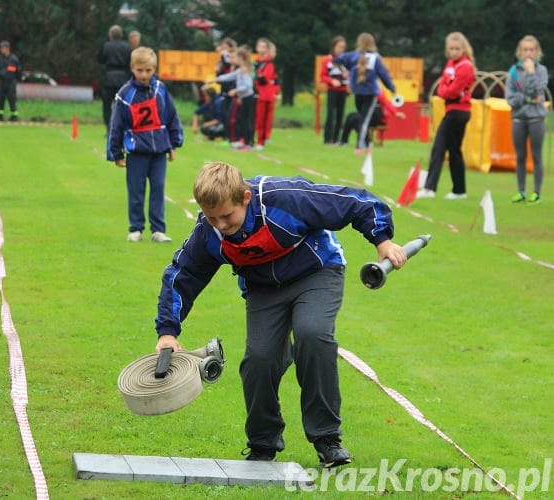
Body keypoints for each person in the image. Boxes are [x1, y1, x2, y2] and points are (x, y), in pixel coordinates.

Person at [154, 162, 407, 467]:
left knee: (312, 335)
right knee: (260, 359)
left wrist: (383, 241)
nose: (220, 225)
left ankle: (327, 438)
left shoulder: (285, 198)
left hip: (316, 272)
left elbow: (355, 202)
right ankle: (263, 443)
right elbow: (183, 274)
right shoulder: (208, 232)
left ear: (245, 197)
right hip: (264, 289)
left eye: (226, 216)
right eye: (211, 218)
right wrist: (168, 331)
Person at [107, 47, 183, 243]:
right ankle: (136, 229)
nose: (144, 75)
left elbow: (172, 117)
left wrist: (173, 144)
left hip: (159, 151)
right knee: (136, 190)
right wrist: (116, 153)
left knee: (158, 188)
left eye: (148, 70)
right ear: (132, 68)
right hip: (136, 152)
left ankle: (158, 230)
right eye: (140, 70)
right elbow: (116, 124)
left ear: (154, 69)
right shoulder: (125, 93)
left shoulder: (161, 90)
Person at [417, 32, 476, 200]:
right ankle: (459, 191)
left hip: (459, 111)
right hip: (451, 109)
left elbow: (453, 90)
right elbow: (442, 85)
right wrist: (444, 91)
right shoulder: (451, 64)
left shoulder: (466, 66)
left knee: (439, 147)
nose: (454, 51)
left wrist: (444, 91)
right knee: (454, 151)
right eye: (451, 48)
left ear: (463, 49)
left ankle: (429, 188)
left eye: (457, 48)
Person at [505, 35, 548, 205]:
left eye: (531, 50)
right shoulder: (513, 72)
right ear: (519, 52)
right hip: (518, 118)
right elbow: (510, 98)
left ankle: (536, 192)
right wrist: (528, 99)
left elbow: (538, 90)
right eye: (525, 50)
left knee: (536, 156)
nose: (528, 53)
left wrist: (531, 73)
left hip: (537, 118)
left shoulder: (541, 70)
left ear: (537, 52)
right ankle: (520, 191)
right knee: (520, 156)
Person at [335, 32, 396, 152]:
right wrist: (391, 87)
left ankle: (367, 144)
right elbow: (383, 75)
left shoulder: (353, 56)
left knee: (362, 119)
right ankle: (360, 146)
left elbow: (337, 59)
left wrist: (347, 71)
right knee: (364, 120)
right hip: (370, 93)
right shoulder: (375, 58)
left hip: (357, 92)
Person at [209, 45, 256, 149]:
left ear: (242, 59)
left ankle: (249, 143)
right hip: (243, 97)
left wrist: (235, 90)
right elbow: (229, 76)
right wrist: (215, 79)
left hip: (248, 98)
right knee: (242, 120)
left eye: (237, 58)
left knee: (247, 120)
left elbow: (248, 86)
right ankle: (244, 142)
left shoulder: (245, 71)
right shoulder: (240, 70)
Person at [340, 90, 405, 146]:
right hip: (366, 113)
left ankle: (365, 141)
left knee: (359, 119)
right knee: (350, 116)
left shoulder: (377, 91)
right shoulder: (362, 90)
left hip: (377, 115)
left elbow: (386, 102)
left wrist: (396, 113)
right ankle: (343, 141)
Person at [98, 25, 132, 129]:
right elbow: (130, 62)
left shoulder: (106, 46)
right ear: (121, 35)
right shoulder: (127, 47)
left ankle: (110, 127)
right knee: (123, 104)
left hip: (109, 77)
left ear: (110, 35)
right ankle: (122, 127)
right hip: (123, 78)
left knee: (107, 105)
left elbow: (100, 59)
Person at [320, 35, 349, 145]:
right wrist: (331, 81)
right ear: (334, 47)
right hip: (332, 90)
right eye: (339, 47)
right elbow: (322, 76)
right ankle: (327, 139)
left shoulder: (346, 60)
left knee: (340, 115)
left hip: (343, 90)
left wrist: (348, 75)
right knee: (330, 114)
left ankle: (336, 139)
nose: (341, 49)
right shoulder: (327, 60)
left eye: (343, 47)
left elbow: (350, 73)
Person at [253, 38, 279, 150]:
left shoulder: (269, 63)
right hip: (256, 92)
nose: (261, 49)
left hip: (265, 94)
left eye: (264, 47)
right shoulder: (256, 61)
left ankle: (261, 141)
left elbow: (265, 79)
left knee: (262, 119)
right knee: (256, 118)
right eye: (260, 46)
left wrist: (256, 74)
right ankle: (253, 140)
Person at [215, 38, 237, 141]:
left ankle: (230, 137)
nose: (223, 50)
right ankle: (225, 135)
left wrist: (223, 54)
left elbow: (230, 72)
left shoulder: (232, 61)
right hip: (224, 87)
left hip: (232, 89)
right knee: (224, 113)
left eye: (225, 47)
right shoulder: (222, 60)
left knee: (230, 114)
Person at [0, 40, 20, 122]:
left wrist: (9, 76)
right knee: (0, 99)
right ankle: (0, 115)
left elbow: (16, 71)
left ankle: (14, 116)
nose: (1, 49)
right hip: (1, 82)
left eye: (3, 48)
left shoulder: (14, 59)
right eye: (1, 48)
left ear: (7, 48)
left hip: (11, 82)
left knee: (12, 99)